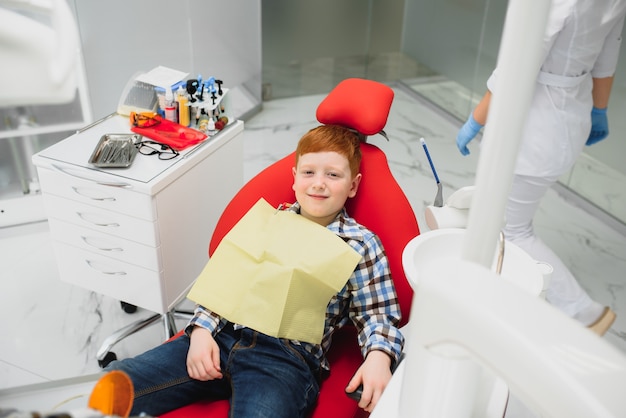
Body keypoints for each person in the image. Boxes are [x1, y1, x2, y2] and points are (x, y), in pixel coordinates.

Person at [106, 124, 404, 417]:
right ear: (295, 178)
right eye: (309, 172)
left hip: (285, 360)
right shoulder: (268, 221)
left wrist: (379, 356)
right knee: (116, 384)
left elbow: (377, 314)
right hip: (223, 334)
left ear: (352, 185)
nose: (318, 183)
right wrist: (200, 332)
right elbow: (223, 284)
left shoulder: (360, 244)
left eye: (333, 175)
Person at [456, 0, 625, 335]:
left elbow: (519, 65)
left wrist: (475, 120)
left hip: (533, 127)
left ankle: (584, 313)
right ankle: (493, 292)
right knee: (501, 220)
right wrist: (598, 110)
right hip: (571, 114)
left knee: (514, 229)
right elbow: (607, 58)